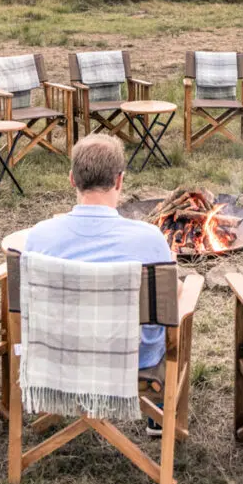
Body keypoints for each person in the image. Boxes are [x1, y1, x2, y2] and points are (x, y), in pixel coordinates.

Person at [24, 133, 172, 434]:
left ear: (71, 180)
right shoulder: (149, 239)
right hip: (132, 363)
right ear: (119, 181)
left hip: (59, 358)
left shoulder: (40, 237)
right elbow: (171, 303)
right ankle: (156, 412)